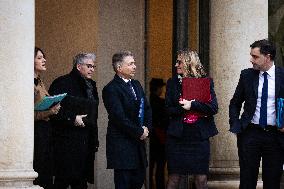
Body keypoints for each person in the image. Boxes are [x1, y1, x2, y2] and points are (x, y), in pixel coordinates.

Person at [229, 39, 284, 189]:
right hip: (250, 133)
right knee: (247, 180)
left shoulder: (282, 76)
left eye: (255, 56)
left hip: (275, 136)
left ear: (267, 57)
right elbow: (235, 103)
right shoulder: (247, 75)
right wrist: (236, 125)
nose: (251, 60)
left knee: (272, 181)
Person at [165, 49, 218, 189]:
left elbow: (213, 108)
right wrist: (183, 107)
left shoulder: (205, 82)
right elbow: (168, 109)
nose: (176, 65)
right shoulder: (172, 82)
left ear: (189, 63)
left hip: (199, 137)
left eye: (179, 62)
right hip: (178, 137)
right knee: (174, 178)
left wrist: (192, 105)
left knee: (201, 179)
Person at [102, 50, 152, 189]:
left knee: (138, 181)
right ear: (119, 68)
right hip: (122, 146)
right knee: (124, 184)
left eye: (134, 63)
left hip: (138, 145)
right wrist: (138, 131)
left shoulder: (136, 84)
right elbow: (119, 117)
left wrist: (147, 128)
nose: (134, 66)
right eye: (130, 64)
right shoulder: (111, 89)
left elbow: (146, 108)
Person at [49, 53, 99, 189]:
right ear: (78, 66)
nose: (92, 69)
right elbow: (52, 111)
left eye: (93, 66)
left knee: (81, 184)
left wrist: (94, 140)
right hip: (66, 145)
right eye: (89, 66)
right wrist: (72, 118)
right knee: (62, 183)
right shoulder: (61, 83)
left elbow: (94, 115)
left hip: (86, 144)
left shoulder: (91, 86)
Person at [34, 47, 61, 189]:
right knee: (39, 170)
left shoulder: (40, 80)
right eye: (39, 58)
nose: (44, 60)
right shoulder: (28, 82)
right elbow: (27, 114)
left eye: (43, 57)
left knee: (47, 171)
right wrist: (50, 111)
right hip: (36, 132)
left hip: (45, 131)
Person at [149, 78, 168, 189]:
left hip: (150, 140)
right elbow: (165, 121)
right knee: (160, 169)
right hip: (160, 140)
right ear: (158, 88)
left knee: (149, 169)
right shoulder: (161, 103)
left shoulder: (147, 101)